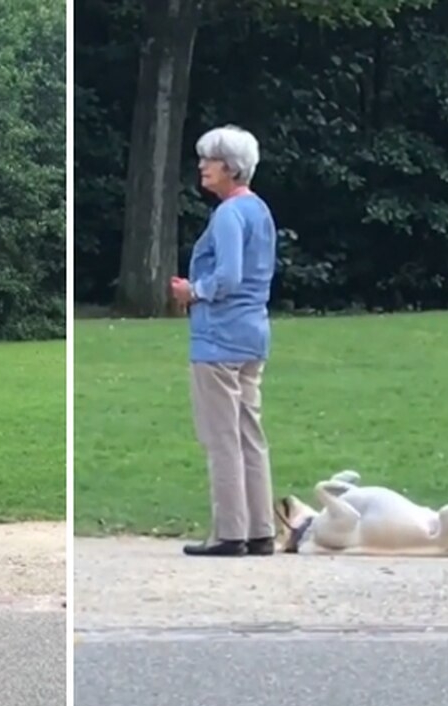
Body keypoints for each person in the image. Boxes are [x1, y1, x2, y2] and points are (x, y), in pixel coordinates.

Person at [170, 124, 278, 557]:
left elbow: (229, 275)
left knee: (222, 437)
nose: (202, 166)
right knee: (250, 434)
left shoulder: (230, 214)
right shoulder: (260, 211)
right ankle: (261, 529)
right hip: (253, 333)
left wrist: (192, 291)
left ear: (231, 168)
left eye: (209, 160)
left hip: (219, 339)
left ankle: (230, 533)